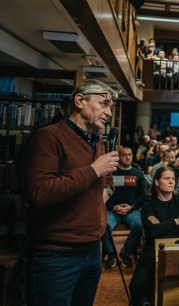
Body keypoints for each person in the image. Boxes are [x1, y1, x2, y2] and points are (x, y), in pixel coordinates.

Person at [20, 80, 118, 306]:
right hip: (57, 254)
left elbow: (108, 180)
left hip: (92, 249)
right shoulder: (48, 137)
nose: (109, 112)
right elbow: (39, 192)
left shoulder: (97, 140)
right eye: (103, 104)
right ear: (80, 101)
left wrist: (100, 195)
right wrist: (93, 170)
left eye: (110, 106)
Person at [129, 166, 179, 305]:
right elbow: (152, 232)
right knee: (136, 285)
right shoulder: (149, 202)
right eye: (166, 178)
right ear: (157, 182)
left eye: (173, 179)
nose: (171, 182)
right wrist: (174, 221)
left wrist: (162, 226)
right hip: (154, 247)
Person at [102, 146, 147, 269]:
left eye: (130, 154)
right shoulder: (111, 173)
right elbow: (103, 193)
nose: (127, 157)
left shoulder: (138, 174)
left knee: (138, 226)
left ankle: (125, 253)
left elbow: (143, 194)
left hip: (131, 210)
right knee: (104, 225)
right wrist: (113, 207)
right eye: (124, 155)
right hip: (112, 209)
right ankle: (111, 254)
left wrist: (131, 207)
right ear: (118, 157)